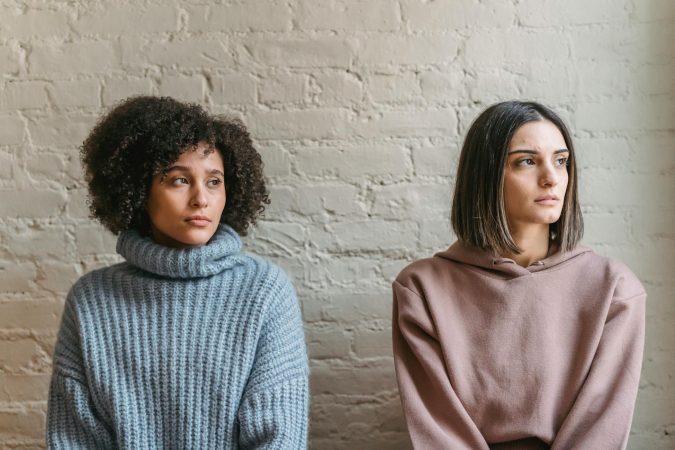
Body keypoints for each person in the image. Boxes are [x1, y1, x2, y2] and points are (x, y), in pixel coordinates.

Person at [47, 96, 309, 449]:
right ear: (140, 191)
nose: (201, 198)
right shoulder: (92, 300)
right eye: (178, 180)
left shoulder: (264, 291)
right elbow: (73, 438)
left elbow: (279, 437)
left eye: (214, 181)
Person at [392, 101, 646, 450]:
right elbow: (440, 431)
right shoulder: (422, 290)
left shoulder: (614, 289)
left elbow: (599, 429)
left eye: (561, 161)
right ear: (486, 175)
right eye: (527, 161)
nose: (551, 177)